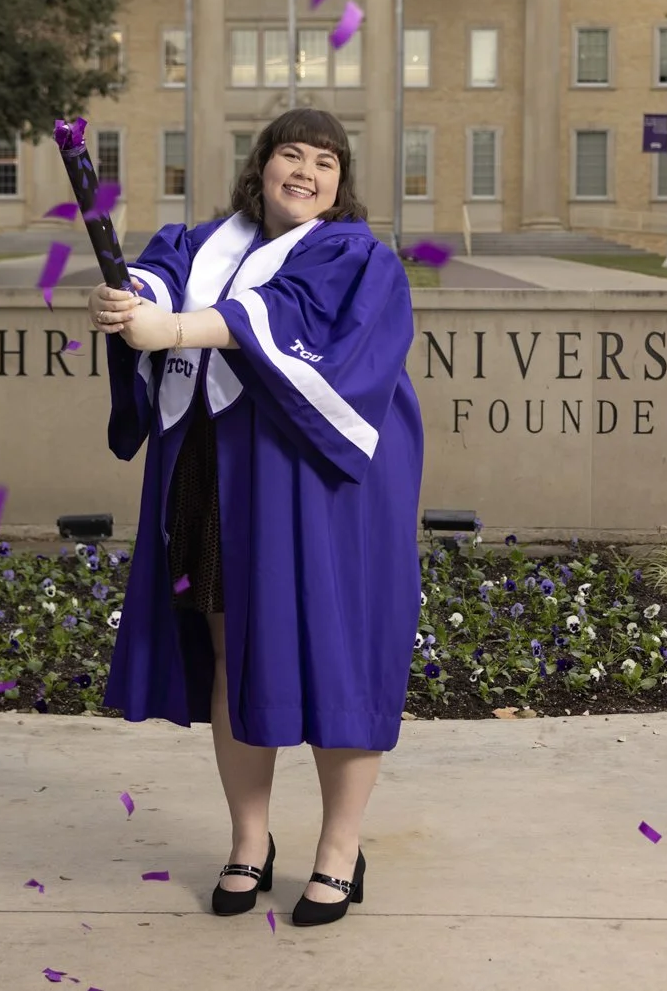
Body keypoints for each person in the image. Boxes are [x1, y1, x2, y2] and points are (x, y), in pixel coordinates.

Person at [88, 108, 424, 928]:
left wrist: (171, 327)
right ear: (261, 166)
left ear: (341, 182)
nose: (307, 172)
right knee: (233, 649)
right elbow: (161, 280)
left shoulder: (357, 257)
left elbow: (273, 317)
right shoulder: (203, 242)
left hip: (322, 489)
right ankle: (249, 841)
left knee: (334, 658)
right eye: (291, 155)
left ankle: (340, 852)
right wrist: (128, 302)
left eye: (326, 162)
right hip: (217, 476)